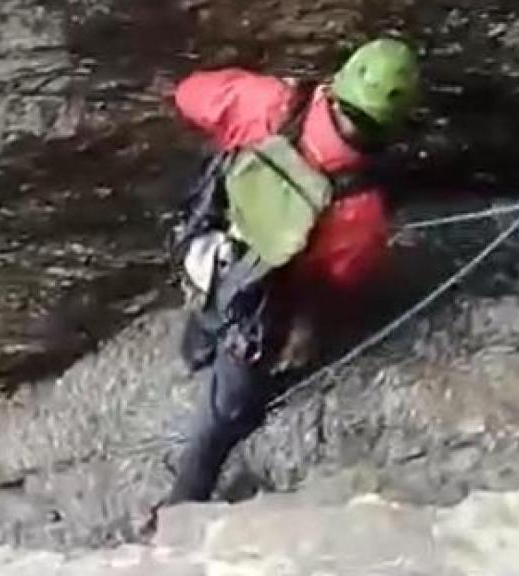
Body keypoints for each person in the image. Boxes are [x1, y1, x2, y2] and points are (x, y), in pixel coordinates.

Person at [166, 38, 421, 504]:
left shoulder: (269, 103)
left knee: (205, 310)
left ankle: (194, 353)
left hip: (208, 253)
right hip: (259, 304)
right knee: (226, 412)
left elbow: (189, 94)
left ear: (339, 82)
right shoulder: (362, 210)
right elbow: (342, 279)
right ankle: (182, 502)